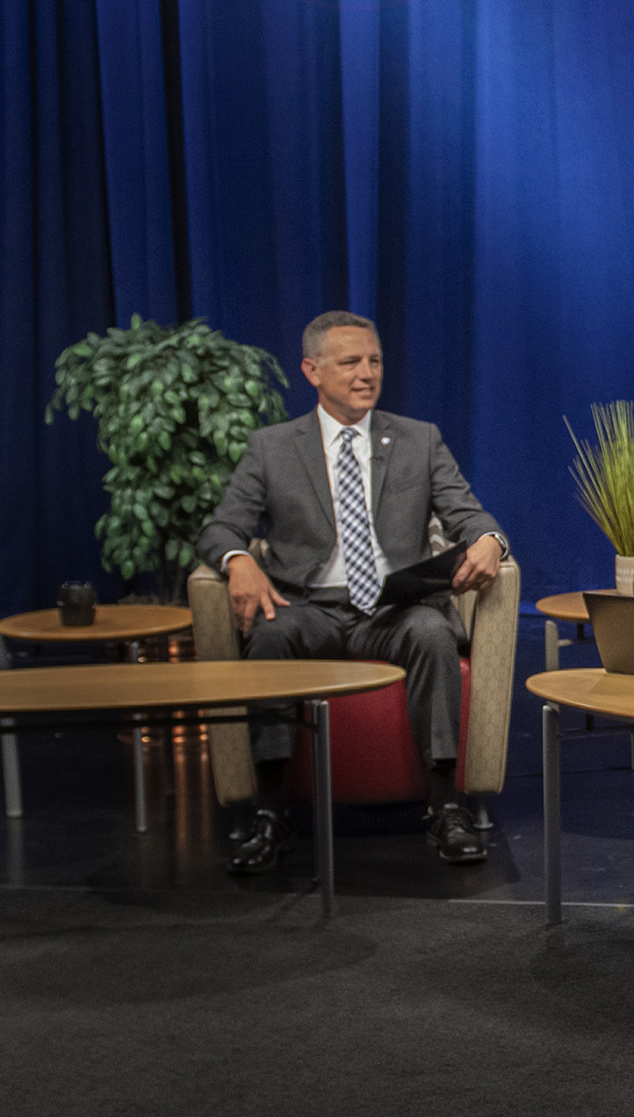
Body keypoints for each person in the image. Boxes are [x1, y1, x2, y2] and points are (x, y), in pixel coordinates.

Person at [198, 311, 509, 874]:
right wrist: (239, 558)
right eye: (350, 363)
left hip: (393, 608)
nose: (367, 373)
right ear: (311, 370)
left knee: (434, 631)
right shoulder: (271, 448)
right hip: (308, 608)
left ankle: (445, 806)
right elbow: (220, 527)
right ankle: (270, 812)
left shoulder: (419, 439)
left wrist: (489, 540)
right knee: (270, 636)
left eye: (375, 361)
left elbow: (468, 512)